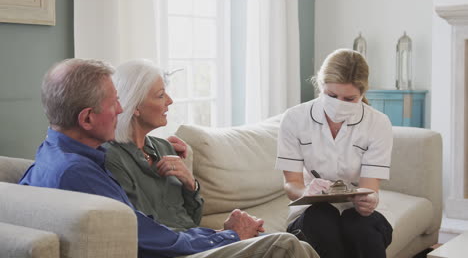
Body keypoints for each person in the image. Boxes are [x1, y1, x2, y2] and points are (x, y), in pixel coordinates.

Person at [19, 58, 319, 258]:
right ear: (86, 119)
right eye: (114, 104)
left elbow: (172, 224)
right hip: (169, 251)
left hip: (180, 240)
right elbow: (151, 238)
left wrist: (192, 188)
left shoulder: (53, 155)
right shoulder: (80, 171)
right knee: (285, 244)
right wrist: (226, 236)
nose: (120, 110)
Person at [275, 49, 394, 258]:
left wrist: (369, 200)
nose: (339, 103)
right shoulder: (294, 119)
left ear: (362, 94)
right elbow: (291, 183)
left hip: (357, 214)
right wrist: (307, 192)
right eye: (331, 96)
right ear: (320, 86)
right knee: (321, 216)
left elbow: (370, 186)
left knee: (360, 226)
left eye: (349, 99)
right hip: (310, 214)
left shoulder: (378, 123)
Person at [103, 59, 203, 231]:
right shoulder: (112, 157)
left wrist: (190, 183)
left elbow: (192, 221)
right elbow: (146, 229)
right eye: (160, 95)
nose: (170, 101)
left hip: (196, 242)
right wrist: (224, 236)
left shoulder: (166, 148)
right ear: (135, 106)